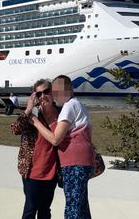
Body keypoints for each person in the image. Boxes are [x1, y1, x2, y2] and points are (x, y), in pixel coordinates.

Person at [31, 75, 94, 219]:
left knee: (73, 207)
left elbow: (55, 139)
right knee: (81, 206)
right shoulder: (78, 104)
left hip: (74, 162)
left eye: (61, 90)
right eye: (55, 91)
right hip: (83, 161)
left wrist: (35, 121)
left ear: (70, 89)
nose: (58, 94)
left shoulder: (69, 106)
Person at [11, 79, 60, 219]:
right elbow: (15, 129)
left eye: (46, 92)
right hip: (31, 172)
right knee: (30, 209)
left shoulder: (62, 115)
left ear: (52, 93)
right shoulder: (32, 116)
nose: (43, 96)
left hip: (51, 173)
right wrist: (28, 109)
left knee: (45, 210)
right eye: (38, 94)